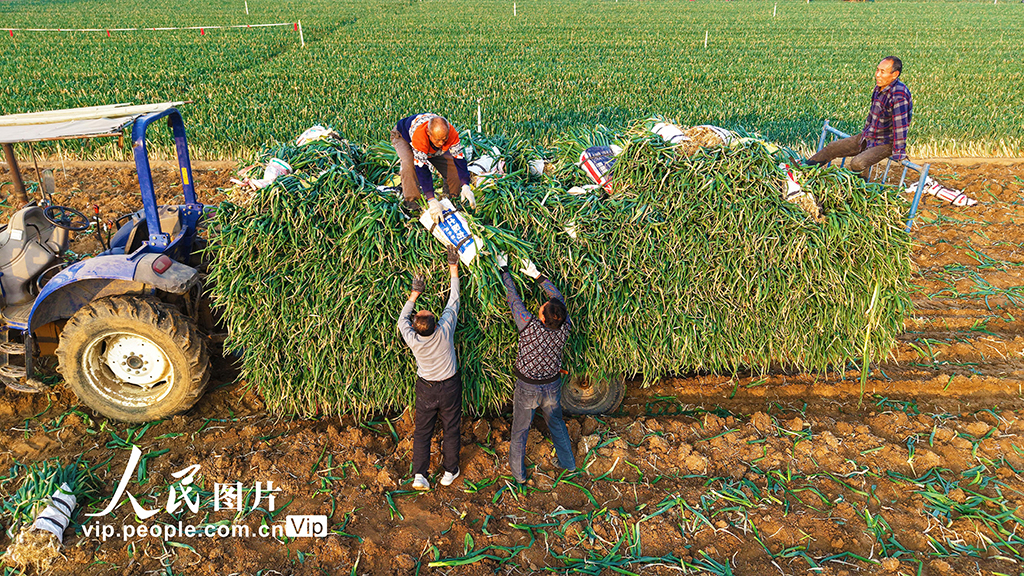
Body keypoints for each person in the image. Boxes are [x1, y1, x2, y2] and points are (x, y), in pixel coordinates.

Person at [496, 254, 576, 485]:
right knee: (556, 423)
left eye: (542, 307)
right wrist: (537, 276)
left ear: (542, 317)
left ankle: (519, 476)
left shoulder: (528, 325)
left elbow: (513, 298)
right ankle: (568, 463)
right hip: (551, 385)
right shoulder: (564, 326)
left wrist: (504, 270)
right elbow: (558, 300)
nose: (542, 305)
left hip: (527, 388)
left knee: (520, 430)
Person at [397, 245, 463, 491]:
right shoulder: (445, 330)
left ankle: (420, 475)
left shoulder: (411, 337)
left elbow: (403, 319)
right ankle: (449, 471)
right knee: (451, 427)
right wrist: (453, 267)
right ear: (436, 323)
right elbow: (453, 300)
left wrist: (414, 294)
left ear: (415, 327)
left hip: (426, 389)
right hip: (448, 387)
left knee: (423, 430)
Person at [806, 56, 912, 176]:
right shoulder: (879, 88)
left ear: (895, 74)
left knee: (857, 163)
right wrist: (864, 135)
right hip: (869, 136)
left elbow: (900, 126)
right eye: (877, 70)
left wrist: (899, 153)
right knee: (832, 147)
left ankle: (862, 189)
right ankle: (802, 170)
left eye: (883, 72)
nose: (877, 74)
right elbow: (872, 116)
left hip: (886, 142)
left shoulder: (899, 95)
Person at [391, 113, 477, 223]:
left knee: (453, 167)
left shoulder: (450, 134)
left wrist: (465, 185)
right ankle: (413, 208)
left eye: (444, 140)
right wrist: (431, 199)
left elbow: (459, 160)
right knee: (409, 165)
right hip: (403, 136)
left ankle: (450, 200)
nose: (441, 143)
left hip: (431, 142)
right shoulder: (420, 135)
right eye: (438, 140)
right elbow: (422, 169)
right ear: (428, 133)